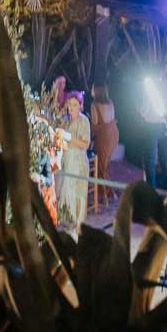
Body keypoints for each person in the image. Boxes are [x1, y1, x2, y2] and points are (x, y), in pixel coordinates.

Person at [57, 92, 92, 230]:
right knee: (66, 192)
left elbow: (85, 144)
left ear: (81, 106)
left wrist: (68, 137)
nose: (71, 107)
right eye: (69, 104)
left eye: (75, 105)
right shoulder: (65, 120)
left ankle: (78, 227)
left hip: (78, 163)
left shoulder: (84, 121)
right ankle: (68, 223)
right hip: (67, 161)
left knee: (77, 194)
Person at [141, 70, 167, 190]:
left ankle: (151, 188)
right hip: (165, 125)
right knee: (164, 158)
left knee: (150, 160)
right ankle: (165, 188)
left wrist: (140, 111)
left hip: (151, 126)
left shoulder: (151, 91)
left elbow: (144, 110)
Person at [91, 85, 118, 187]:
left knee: (100, 165)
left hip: (105, 137)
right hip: (114, 135)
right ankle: (107, 192)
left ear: (96, 91)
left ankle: (106, 194)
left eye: (93, 88)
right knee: (105, 164)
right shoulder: (110, 102)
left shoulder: (94, 105)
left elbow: (95, 125)